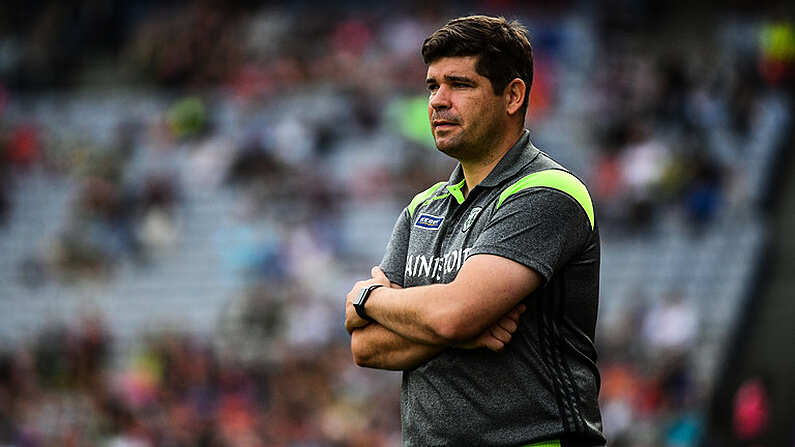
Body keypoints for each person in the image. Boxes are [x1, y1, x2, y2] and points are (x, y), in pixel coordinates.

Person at [345, 15, 606, 446]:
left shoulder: (547, 192)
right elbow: (366, 348)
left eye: (459, 85)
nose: (438, 101)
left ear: (513, 96)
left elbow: (453, 316)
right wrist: (457, 331)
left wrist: (368, 298)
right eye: (432, 86)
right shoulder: (422, 207)